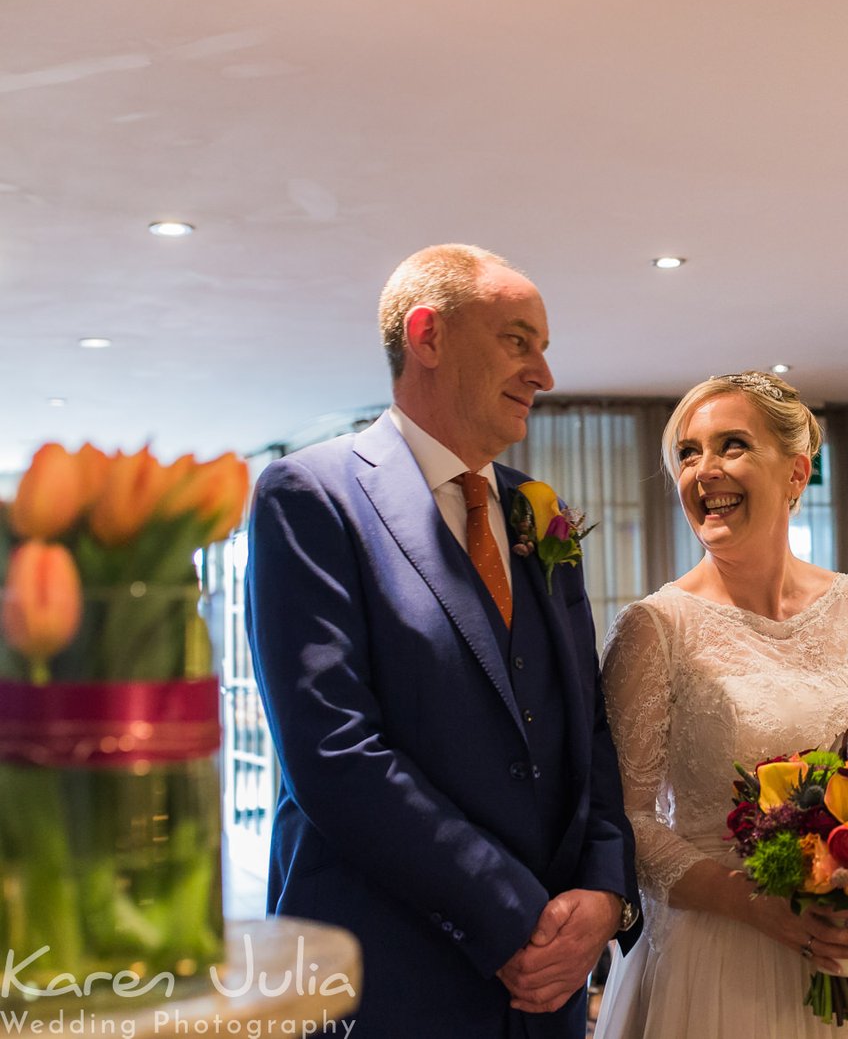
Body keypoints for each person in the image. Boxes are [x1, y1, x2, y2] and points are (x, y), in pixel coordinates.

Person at [246, 244, 636, 1038]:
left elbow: (587, 724)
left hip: (546, 989)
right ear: (427, 336)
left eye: (544, 348)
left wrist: (602, 893)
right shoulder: (311, 496)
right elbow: (334, 753)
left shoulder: (536, 510)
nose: (544, 374)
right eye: (518, 341)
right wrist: (513, 917)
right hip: (388, 976)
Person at [592, 371, 848, 1038]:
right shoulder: (654, 628)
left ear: (797, 472)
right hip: (724, 963)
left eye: (732, 445)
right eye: (688, 453)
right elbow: (627, 818)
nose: (704, 470)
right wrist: (755, 904)